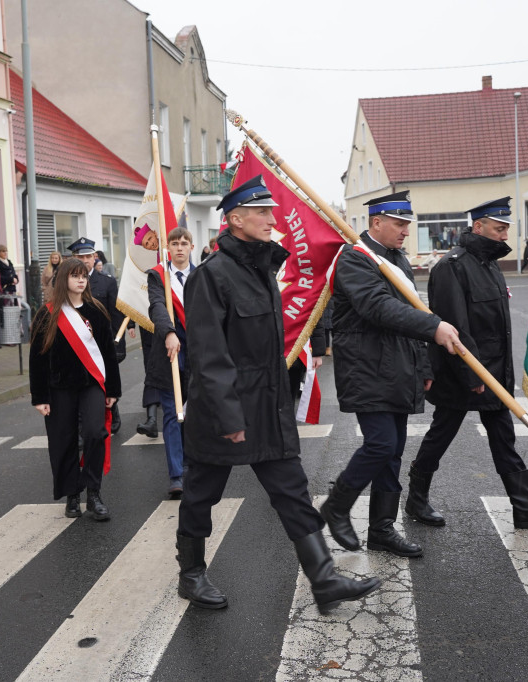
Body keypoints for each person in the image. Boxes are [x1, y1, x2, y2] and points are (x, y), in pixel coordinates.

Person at [175, 175, 379, 614]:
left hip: (266, 406)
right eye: (262, 212)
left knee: (292, 491)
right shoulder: (212, 276)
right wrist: (230, 419)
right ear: (234, 220)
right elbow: (209, 357)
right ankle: (190, 574)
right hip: (223, 412)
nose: (273, 218)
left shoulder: (262, 268)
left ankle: (323, 580)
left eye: (271, 210)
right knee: (201, 495)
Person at [408, 197, 528, 530]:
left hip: (493, 371)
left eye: (506, 229)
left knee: (503, 437)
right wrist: (471, 373)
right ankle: (416, 498)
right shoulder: (452, 267)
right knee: (441, 434)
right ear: (478, 226)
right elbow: (455, 327)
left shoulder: (490, 264)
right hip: (463, 372)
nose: (503, 235)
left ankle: (524, 506)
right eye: (498, 229)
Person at [320, 191, 461, 559]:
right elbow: (377, 308)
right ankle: (337, 505)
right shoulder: (356, 259)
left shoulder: (395, 258)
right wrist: (434, 327)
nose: (404, 232)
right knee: (381, 444)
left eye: (407, 225)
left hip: (398, 367)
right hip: (368, 369)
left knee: (393, 451)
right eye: (398, 224)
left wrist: (423, 365)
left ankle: (381, 529)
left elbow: (408, 309)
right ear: (376, 223)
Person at [30, 257, 121, 520]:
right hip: (58, 388)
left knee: (95, 432)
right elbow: (37, 358)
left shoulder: (97, 311)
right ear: (64, 280)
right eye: (75, 276)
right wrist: (40, 397)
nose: (81, 280)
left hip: (91, 384)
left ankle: (93, 492)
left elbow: (107, 354)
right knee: (64, 440)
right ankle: (72, 494)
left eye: (84, 276)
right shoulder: (47, 314)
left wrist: (112, 389)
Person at [145, 226, 195, 499]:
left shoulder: (202, 274)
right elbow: (157, 306)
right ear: (168, 248)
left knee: (195, 415)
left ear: (191, 247)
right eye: (174, 243)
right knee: (173, 415)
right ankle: (176, 475)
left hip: (199, 356)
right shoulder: (158, 276)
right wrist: (169, 333)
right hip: (170, 355)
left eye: (183, 243)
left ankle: (193, 466)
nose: (178, 247)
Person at [68, 237, 124, 434]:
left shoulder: (107, 282)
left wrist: (118, 341)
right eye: (80, 257)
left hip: (101, 342)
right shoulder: (66, 281)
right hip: (75, 341)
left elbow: (116, 313)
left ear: (95, 257)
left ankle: (112, 409)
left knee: (104, 378)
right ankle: (82, 425)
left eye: (89, 256)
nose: (85, 260)